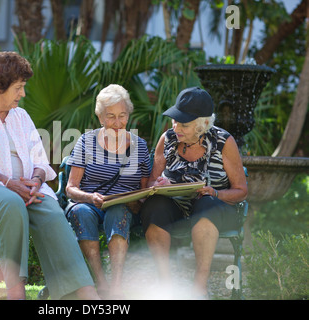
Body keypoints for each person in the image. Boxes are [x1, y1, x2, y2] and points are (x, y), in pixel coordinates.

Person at [0, 51, 99, 300]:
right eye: (18, 88)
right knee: (10, 202)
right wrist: (8, 183)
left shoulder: (21, 116)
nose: (23, 94)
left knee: (51, 211)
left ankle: (82, 291)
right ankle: (15, 292)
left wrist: (37, 180)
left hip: (24, 188)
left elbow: (39, 159)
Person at [139, 86, 247, 298]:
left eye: (184, 124)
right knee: (154, 207)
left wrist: (215, 194)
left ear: (203, 124)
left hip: (214, 207)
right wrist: (157, 185)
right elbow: (152, 179)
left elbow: (241, 191)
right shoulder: (168, 139)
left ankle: (199, 285)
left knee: (205, 206)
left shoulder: (224, 142)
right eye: (174, 120)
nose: (176, 127)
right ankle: (166, 286)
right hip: (177, 205)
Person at [65, 84, 151, 299]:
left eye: (122, 116)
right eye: (110, 116)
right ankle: (100, 282)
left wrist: (138, 203)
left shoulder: (139, 146)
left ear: (128, 116)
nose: (117, 122)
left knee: (118, 212)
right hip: (89, 203)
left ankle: (116, 286)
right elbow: (70, 188)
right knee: (81, 212)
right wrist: (89, 197)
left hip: (122, 206)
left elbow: (146, 189)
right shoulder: (86, 141)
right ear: (100, 117)